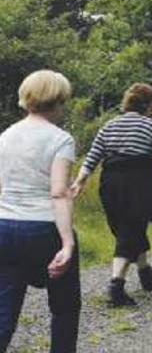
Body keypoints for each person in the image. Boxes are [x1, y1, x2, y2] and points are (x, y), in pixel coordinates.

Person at [72, 83, 152, 307]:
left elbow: (93, 156)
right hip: (140, 182)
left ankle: (145, 272)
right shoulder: (150, 125)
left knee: (131, 226)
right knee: (130, 229)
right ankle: (116, 286)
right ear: (148, 105)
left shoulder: (109, 125)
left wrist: (80, 180)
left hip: (111, 183)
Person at [0, 70, 81, 352]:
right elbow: (59, 192)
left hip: (5, 226)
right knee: (64, 309)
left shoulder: (5, 137)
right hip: (44, 229)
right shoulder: (61, 139)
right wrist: (67, 242)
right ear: (56, 101)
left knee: (4, 312)